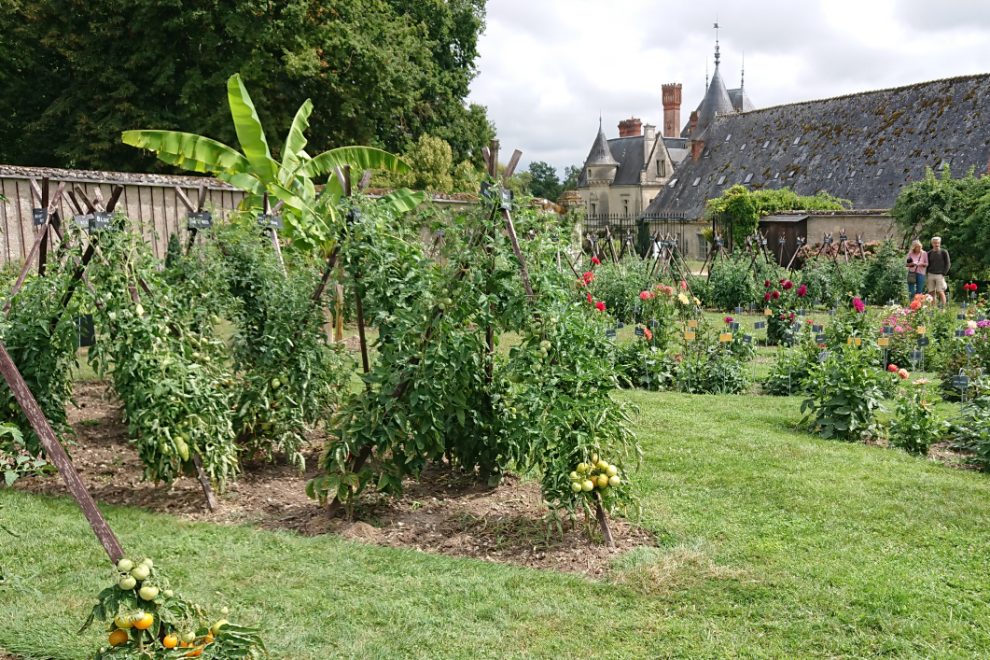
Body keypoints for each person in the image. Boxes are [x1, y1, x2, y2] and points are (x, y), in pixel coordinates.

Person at [926, 236, 951, 307]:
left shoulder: (944, 252)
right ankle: (933, 309)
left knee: (940, 291)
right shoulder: (929, 253)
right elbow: (927, 264)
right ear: (932, 243)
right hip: (930, 274)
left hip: (940, 275)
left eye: (938, 243)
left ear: (940, 243)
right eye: (934, 243)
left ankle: (943, 308)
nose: (936, 244)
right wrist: (927, 273)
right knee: (931, 292)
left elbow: (948, 264)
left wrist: (944, 273)